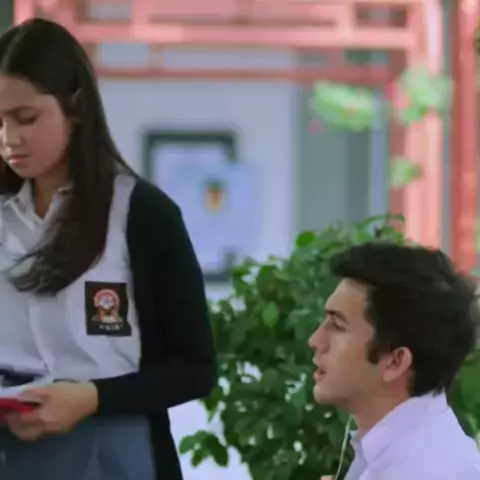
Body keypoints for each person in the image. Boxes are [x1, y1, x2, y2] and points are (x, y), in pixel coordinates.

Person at [0, 16, 216, 480]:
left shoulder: (143, 214)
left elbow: (194, 368)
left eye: (26, 118)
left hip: (114, 447)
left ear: (76, 108)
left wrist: (93, 397)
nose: (9, 138)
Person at [308, 242, 480, 480]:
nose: (315, 340)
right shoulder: (407, 448)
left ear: (396, 362)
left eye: (337, 326)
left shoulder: (417, 470)